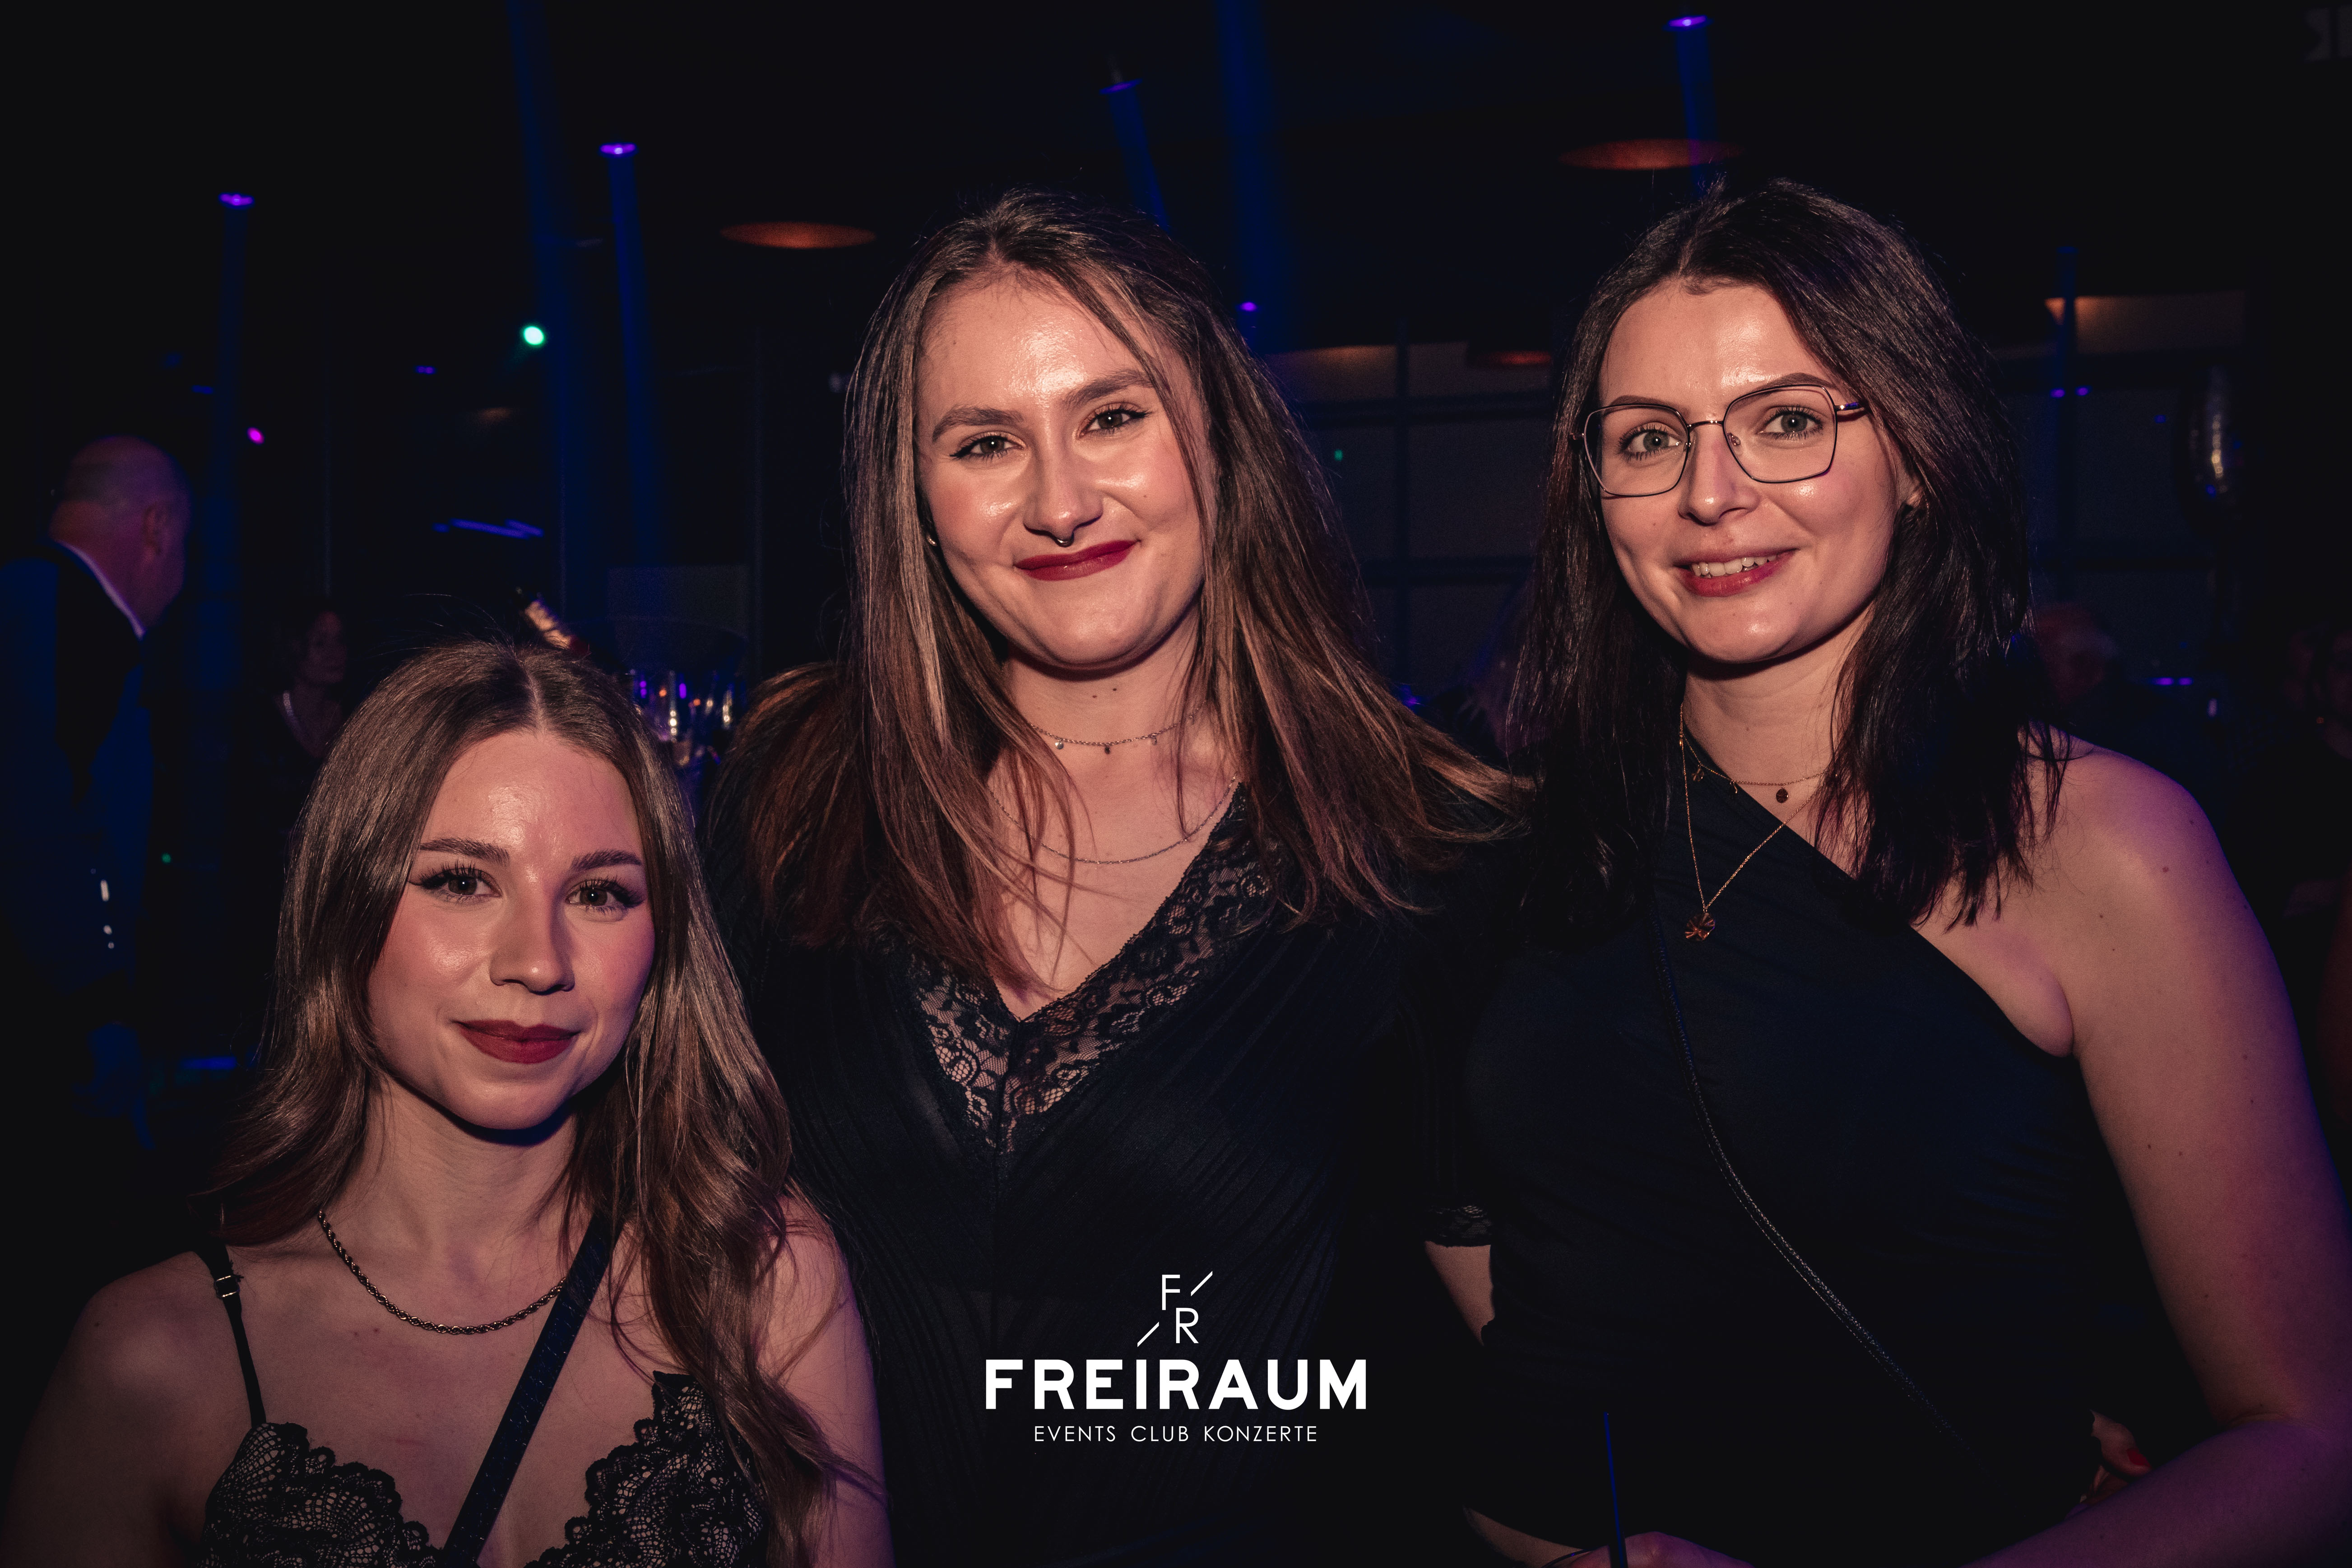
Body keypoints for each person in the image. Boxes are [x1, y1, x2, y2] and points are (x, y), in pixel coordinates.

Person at [1456, 182, 2352, 1566]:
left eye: (1786, 421)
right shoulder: (1527, 837)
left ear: (1920, 452)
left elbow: (2308, 1438)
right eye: (1647, 438)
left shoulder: (2097, 844)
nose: (1709, 493)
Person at [702, 188, 1514, 1566]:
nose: (1060, 501)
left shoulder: (1418, 840)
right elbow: (657, 1211)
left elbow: (1525, 1345)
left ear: (1219, 438)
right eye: (984, 443)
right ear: (915, 501)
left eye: (1112, 416)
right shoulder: (799, 791)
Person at [1, 638, 891, 1567]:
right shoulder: (154, 1361)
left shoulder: (760, 1284)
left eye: (598, 893)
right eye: (462, 882)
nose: (538, 962)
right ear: (344, 906)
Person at [0, 435, 192, 1462]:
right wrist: (97, 1005)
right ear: (156, 527)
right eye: (186, 542)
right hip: (45, 1024)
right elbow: (38, 823)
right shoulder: (54, 611)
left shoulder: (38, 605)